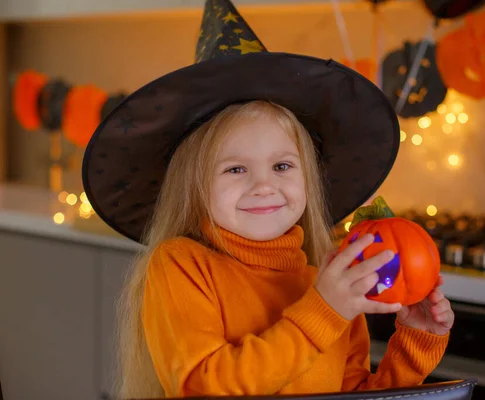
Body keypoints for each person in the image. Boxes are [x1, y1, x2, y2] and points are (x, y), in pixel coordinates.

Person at [81, 1, 454, 399]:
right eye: (236, 169)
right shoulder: (182, 266)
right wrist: (324, 311)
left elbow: (353, 394)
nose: (263, 186)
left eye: (281, 166)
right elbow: (206, 388)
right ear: (194, 186)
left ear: (308, 177)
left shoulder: (327, 279)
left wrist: (416, 340)